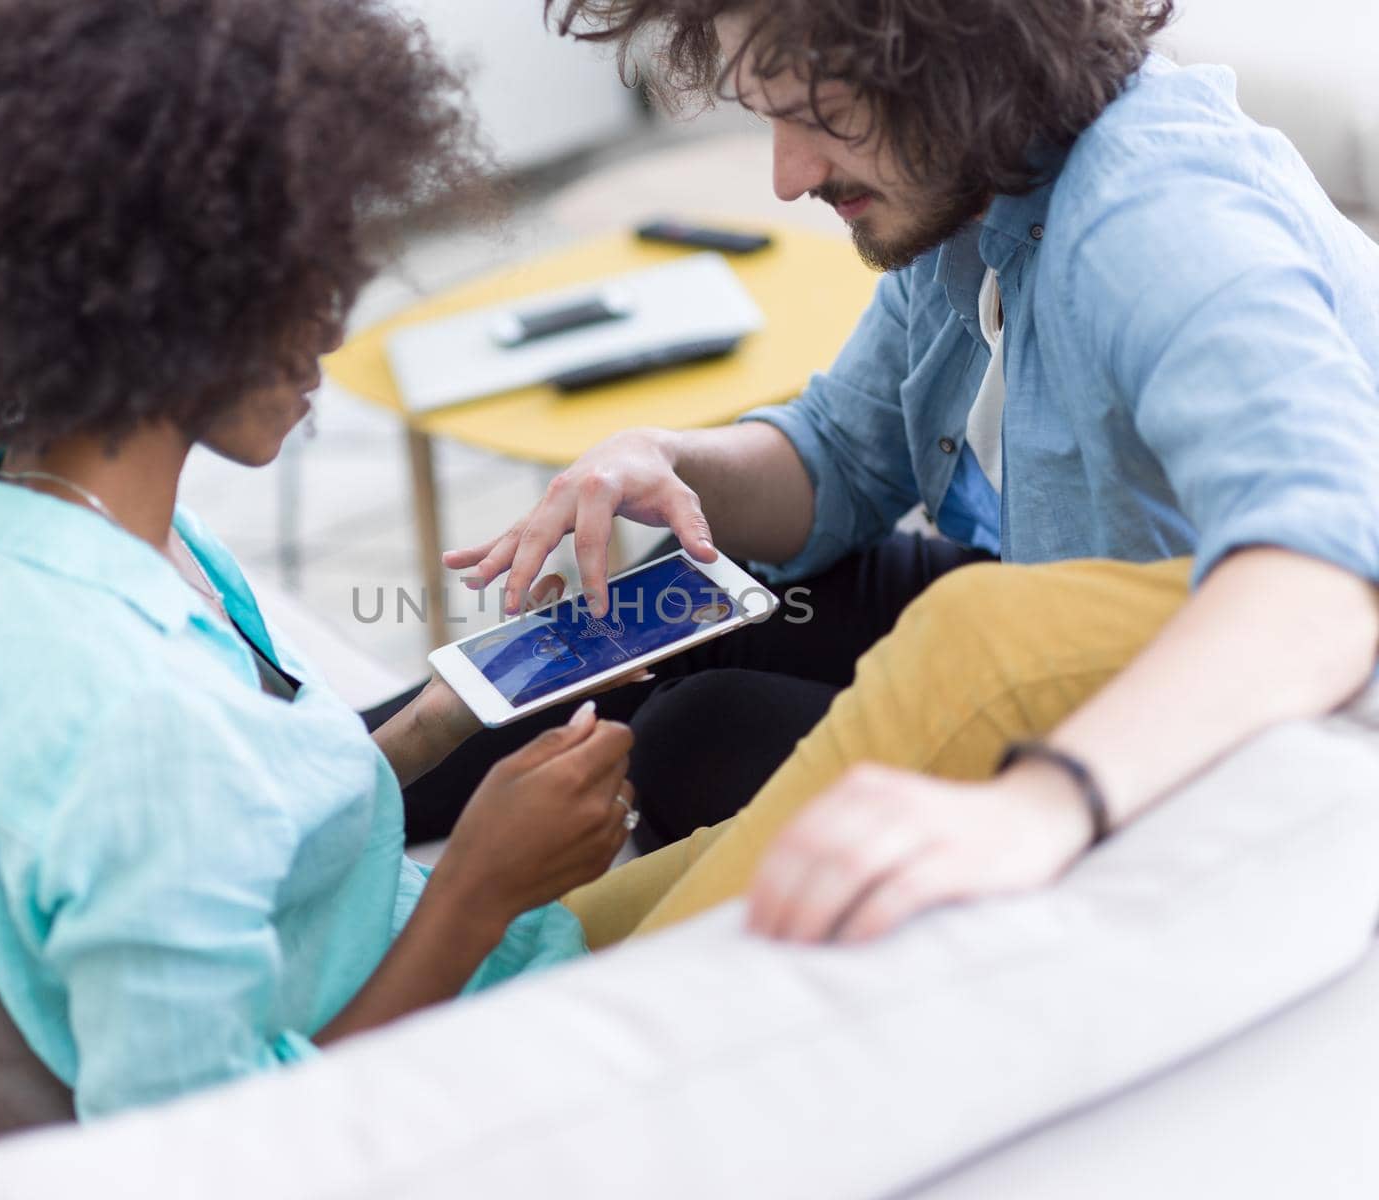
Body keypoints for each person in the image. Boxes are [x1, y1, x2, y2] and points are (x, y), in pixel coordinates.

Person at [426, 0, 1379, 943]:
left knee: (699, 732)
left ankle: (431, 937)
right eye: (767, 114)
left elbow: (1330, 576)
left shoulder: (1157, 223)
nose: (787, 175)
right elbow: (840, 456)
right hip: (1045, 597)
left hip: (1219, 694)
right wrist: (667, 461)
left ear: (966, 59)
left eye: (816, 113)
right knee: (685, 598)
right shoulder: (983, 188)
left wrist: (1043, 804)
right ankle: (343, 772)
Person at [0, 0, 643, 1119]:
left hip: (487, 977)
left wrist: (441, 717)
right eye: (306, 278)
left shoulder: (43, 511)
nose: (330, 330)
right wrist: (479, 887)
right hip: (478, 1090)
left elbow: (247, 831)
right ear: (176, 291)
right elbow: (206, 1147)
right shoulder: (130, 712)